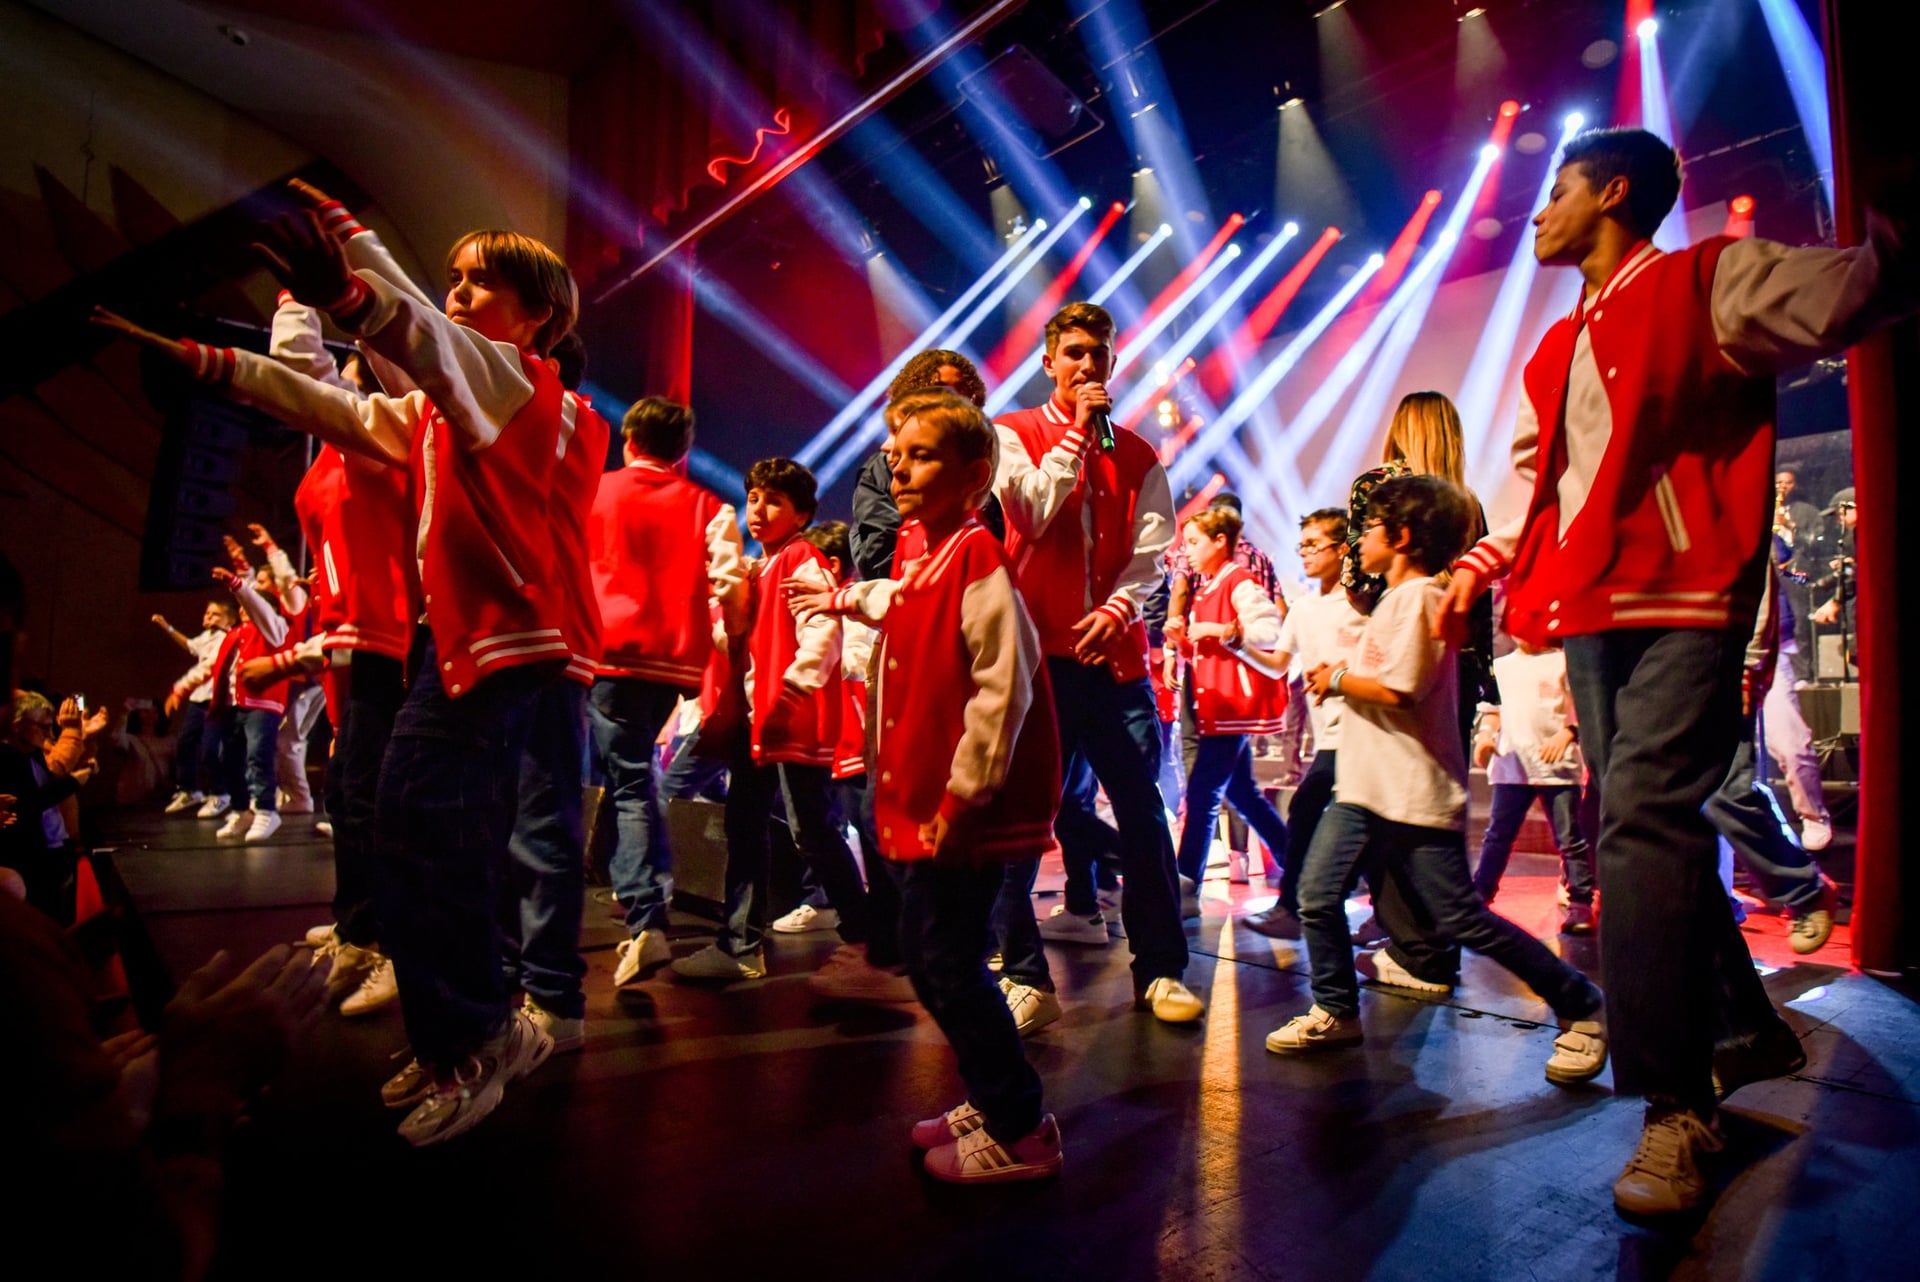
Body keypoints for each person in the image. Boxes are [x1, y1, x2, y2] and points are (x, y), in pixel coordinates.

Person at [1439, 126, 1912, 1216]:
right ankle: (1742, 1027)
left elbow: (1847, 293)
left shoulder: (1709, 279)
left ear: (1611, 193)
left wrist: (1893, 238)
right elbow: (1533, 480)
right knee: (1646, 824)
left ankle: (1672, 1104)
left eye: (1556, 190)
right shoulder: (1556, 344)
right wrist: (1484, 564)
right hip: (1595, 606)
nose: (1538, 211)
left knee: (1642, 821)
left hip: (1692, 596)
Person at [96, 203, 583, 1146]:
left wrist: (348, 273)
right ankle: (470, 1031)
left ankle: (480, 1034)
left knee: (424, 828)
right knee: (402, 826)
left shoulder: (516, 377)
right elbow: (336, 406)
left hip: (511, 644)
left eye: (483, 280)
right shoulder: (446, 411)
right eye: (455, 276)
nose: (459, 293)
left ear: (538, 318)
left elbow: (420, 336)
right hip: (466, 642)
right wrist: (205, 360)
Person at [1269, 476, 1609, 1093]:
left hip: (1411, 792)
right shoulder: (1396, 601)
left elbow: (1403, 688)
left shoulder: (1421, 598)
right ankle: (1337, 1010)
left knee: (1462, 919)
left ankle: (1582, 1000)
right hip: (1365, 788)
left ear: (1400, 538)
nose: (1356, 541)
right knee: (1316, 896)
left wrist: (1337, 677)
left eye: (1367, 529)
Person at [831, 389, 1066, 1181]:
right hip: (929, 809)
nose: (898, 466)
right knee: (942, 961)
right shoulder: (924, 556)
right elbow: (894, 610)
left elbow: (1005, 687)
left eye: (921, 454)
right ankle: (997, 1096)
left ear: (975, 475)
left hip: (958, 815)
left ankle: (1021, 1124)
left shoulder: (974, 555)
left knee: (948, 964)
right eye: (896, 453)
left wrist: (965, 796)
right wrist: (844, 597)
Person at [991, 302, 1202, 1024]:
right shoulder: (1010, 436)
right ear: (1049, 361)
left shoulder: (1139, 454)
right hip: (1034, 659)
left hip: (1110, 663)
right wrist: (1078, 437)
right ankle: (1024, 974)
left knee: (1143, 812)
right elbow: (1030, 513)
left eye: (1099, 354)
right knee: (1022, 816)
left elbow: (1154, 552)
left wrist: (1119, 608)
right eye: (1074, 353)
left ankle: (1162, 970)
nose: (1087, 365)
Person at [671, 459, 886, 990]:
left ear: (802, 514)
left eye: (773, 501)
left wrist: (790, 692)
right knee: (748, 827)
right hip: (757, 717)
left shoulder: (800, 559)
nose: (759, 510)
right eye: (755, 499)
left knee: (811, 829)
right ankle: (740, 945)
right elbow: (741, 644)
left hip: (787, 718)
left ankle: (867, 939)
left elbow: (823, 634)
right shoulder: (758, 568)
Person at [262, 280, 414, 1017]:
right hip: (346, 635)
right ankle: (361, 923)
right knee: (346, 790)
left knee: (365, 792)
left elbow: (300, 374)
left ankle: (382, 937)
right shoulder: (330, 457)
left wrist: (302, 300)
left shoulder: (379, 437)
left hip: (390, 631)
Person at [589, 396, 746, 988]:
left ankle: (644, 916)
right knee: (634, 778)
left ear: (629, 438)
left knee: (628, 780)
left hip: (603, 653)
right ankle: (642, 908)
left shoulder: (596, 491)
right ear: (683, 450)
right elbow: (730, 586)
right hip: (670, 664)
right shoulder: (708, 505)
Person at [1243, 510, 1368, 939]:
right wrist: (1238, 644)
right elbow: (1280, 665)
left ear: (1342, 549)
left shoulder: (1360, 606)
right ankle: (1309, 903)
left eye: (1315, 544)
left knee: (1311, 808)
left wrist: (1342, 673)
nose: (1306, 553)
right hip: (1330, 737)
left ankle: (1293, 907)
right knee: (1322, 813)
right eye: (1303, 545)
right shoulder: (1304, 609)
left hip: (1361, 733)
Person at [1170, 507, 1291, 896]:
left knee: (1204, 793)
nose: (1186, 551)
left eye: (1193, 542)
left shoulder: (1237, 581)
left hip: (1230, 709)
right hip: (1217, 707)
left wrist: (1215, 629)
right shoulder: (1208, 586)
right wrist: (1182, 639)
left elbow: (1269, 628)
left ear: (1220, 541)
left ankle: (1185, 880)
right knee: (1241, 793)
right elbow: (1210, 650)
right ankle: (1297, 861)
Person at [1469, 637, 1597, 934]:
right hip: (1512, 762)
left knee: (1570, 838)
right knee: (1498, 835)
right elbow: (1491, 710)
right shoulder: (1501, 667)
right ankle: (1480, 894)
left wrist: (1568, 733)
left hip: (1556, 766)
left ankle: (1580, 900)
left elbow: (1584, 709)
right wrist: (1485, 737)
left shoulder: (1564, 662)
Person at [153, 601, 232, 815]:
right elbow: (189, 645)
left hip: (216, 700)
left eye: (216, 614)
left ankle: (220, 793)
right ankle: (190, 790)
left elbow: (211, 666)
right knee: (185, 743)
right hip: (198, 699)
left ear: (229, 620)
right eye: (208, 613)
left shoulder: (228, 638)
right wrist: (166, 627)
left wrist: (180, 689)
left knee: (210, 749)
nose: (209, 617)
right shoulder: (206, 638)